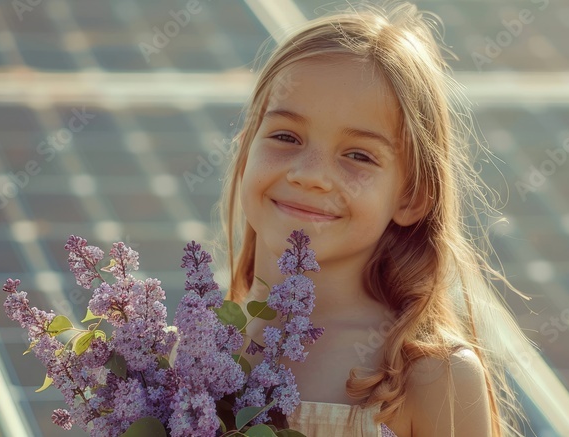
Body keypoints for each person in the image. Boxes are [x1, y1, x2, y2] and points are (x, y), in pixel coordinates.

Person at [217, 2, 529, 436]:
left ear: (412, 196)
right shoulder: (190, 351)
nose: (309, 175)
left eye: (358, 155)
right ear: (246, 148)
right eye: (285, 136)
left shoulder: (432, 378)